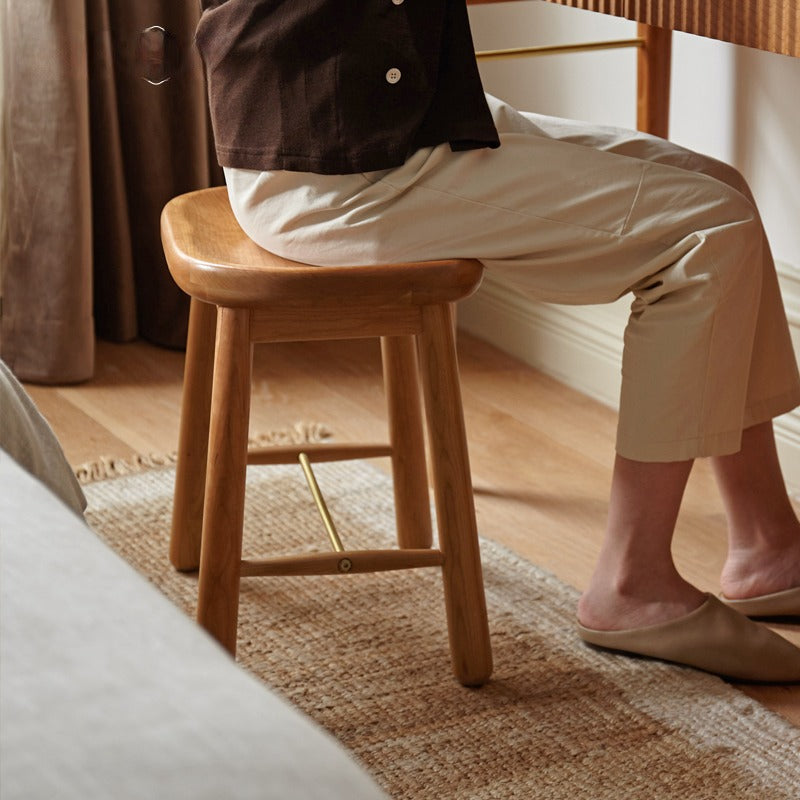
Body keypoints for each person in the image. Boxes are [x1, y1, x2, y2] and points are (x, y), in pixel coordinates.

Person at [194, 0, 800, 681]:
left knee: (721, 190)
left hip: (386, 117)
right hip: (342, 169)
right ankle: (634, 583)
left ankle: (767, 544)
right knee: (707, 229)